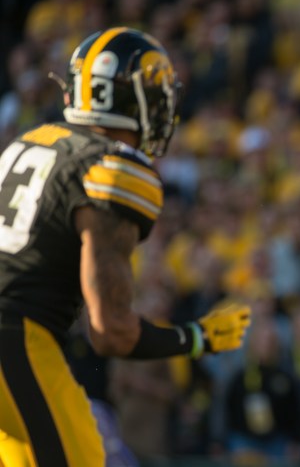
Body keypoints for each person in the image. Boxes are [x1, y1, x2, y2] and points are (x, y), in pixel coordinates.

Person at [0, 27, 251, 467]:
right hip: (16, 339)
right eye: (156, 95)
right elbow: (110, 330)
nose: (162, 107)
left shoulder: (31, 141)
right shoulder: (113, 167)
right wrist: (196, 337)